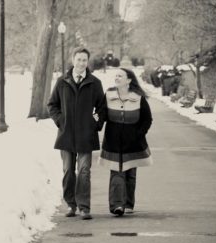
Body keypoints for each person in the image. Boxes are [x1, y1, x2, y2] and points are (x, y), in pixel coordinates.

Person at [48, 47, 106, 220]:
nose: (82, 63)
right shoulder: (62, 82)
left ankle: (84, 207)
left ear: (87, 62)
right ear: (73, 60)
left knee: (84, 171)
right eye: (79, 59)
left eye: (84, 60)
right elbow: (52, 105)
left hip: (86, 135)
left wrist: (96, 123)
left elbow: (102, 107)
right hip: (66, 135)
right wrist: (61, 121)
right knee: (68, 171)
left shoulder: (95, 83)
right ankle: (71, 204)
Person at [99, 68, 153, 216]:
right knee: (117, 171)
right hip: (113, 142)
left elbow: (147, 119)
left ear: (128, 80)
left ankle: (128, 204)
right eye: (116, 75)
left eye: (120, 76)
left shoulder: (138, 97)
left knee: (130, 172)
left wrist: (138, 134)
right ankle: (117, 205)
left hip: (133, 142)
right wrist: (97, 123)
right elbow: (102, 113)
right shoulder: (109, 94)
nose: (116, 78)